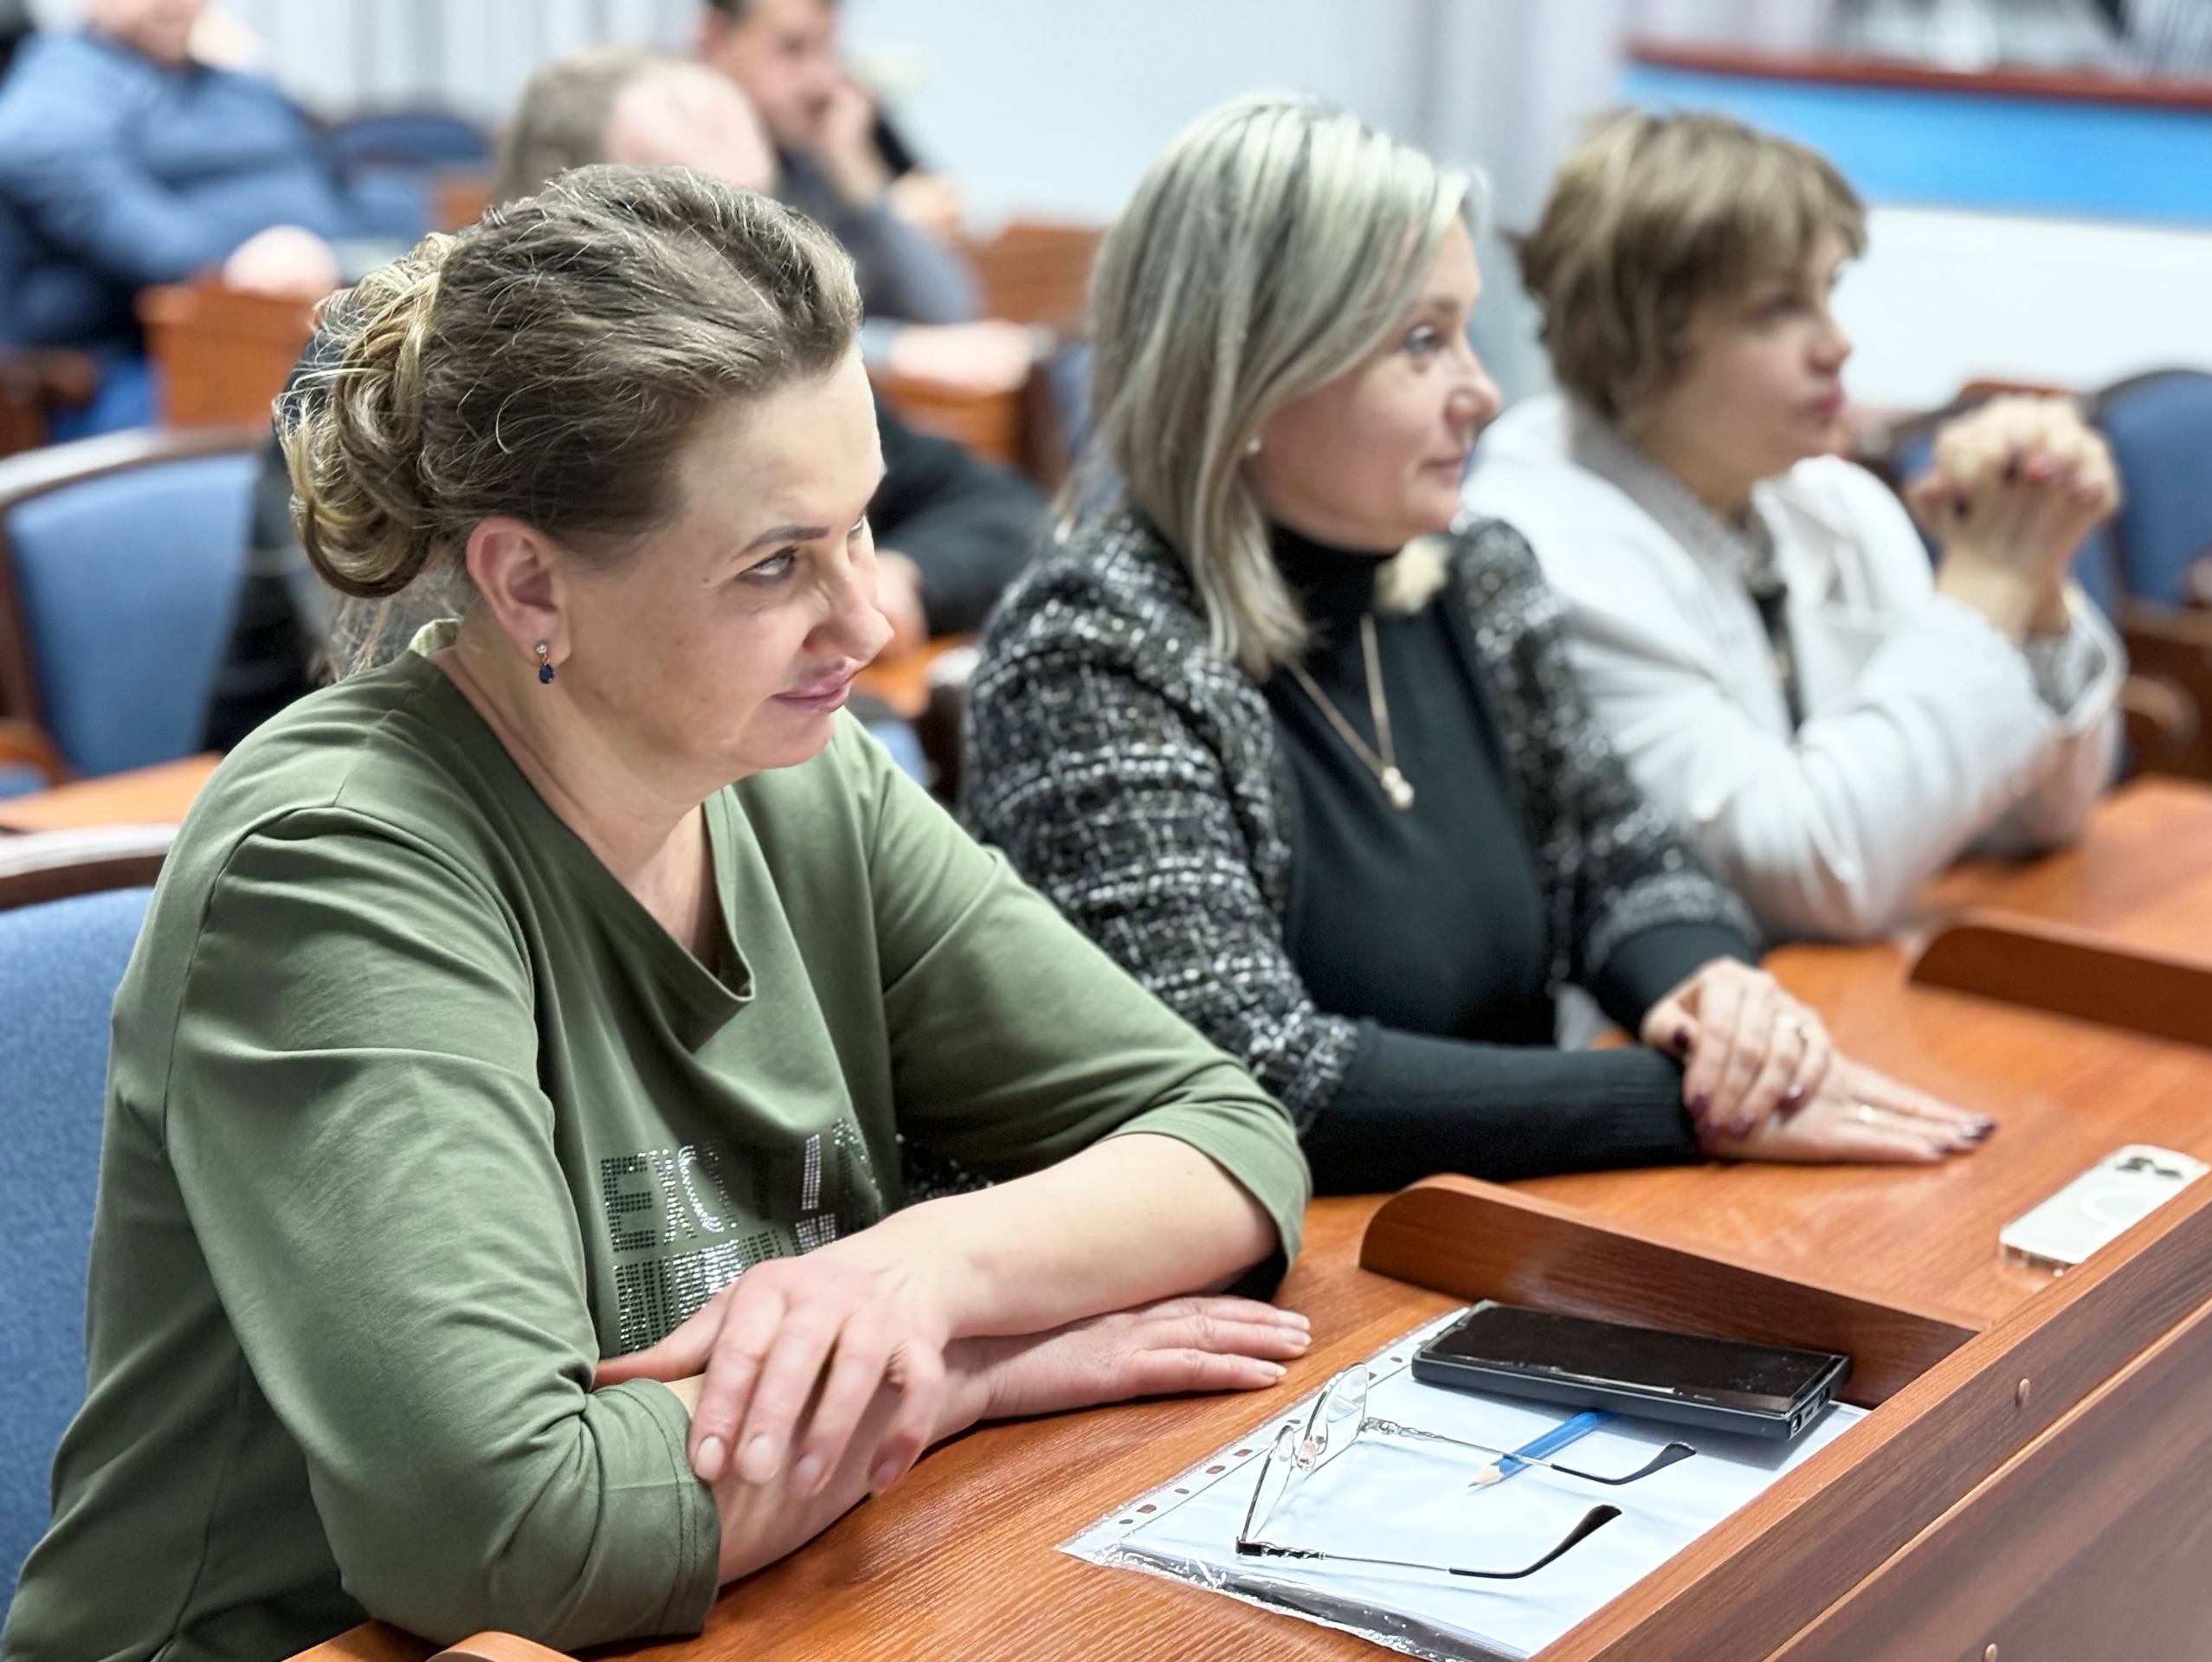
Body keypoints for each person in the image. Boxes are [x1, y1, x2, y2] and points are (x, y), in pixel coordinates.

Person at [1, 166, 1312, 1662]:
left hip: (730, 1596)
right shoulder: (330, 867)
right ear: (529, 584)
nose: (867, 620)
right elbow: (517, 1536)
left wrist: (915, 1278)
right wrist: (957, 1375)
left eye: (862, 528)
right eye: (776, 564)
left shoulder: (791, 772)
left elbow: (1223, 1136)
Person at [964, 94, 1990, 1197]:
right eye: (1423, 343)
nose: (1484, 394)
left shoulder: (1474, 574)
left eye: (1467, 333)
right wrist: (1686, 1105)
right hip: (1283, 1268)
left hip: (1491, 1218)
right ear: (1252, 373)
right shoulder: (1092, 653)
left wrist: (1714, 993)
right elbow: (1252, 1083)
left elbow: (1621, 860)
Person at [201, 47, 1044, 753]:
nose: (751, 271)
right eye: (694, 230)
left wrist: (899, 577)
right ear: (554, 228)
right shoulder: (388, 373)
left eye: (761, 215)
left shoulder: (757, 358)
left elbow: (996, 507)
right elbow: (443, 685)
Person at [1466, 110, 2125, 943]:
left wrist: (2035, 583)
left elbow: (2040, 815)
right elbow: (1804, 877)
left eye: (1829, 291)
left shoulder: (1830, 499)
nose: (1837, 344)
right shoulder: (1538, 548)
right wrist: (1989, 587)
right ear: (1625, 341)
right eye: (1778, 307)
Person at [0, 0, 418, 359]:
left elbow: (325, 172)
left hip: (327, 312)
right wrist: (230, 264)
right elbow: (47, 159)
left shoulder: (231, 80)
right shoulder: (67, 79)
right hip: (163, 361)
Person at [697, 0, 1035, 395]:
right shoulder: (672, 158)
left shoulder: (811, 156)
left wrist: (857, 176)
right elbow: (737, 333)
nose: (821, 80)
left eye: (827, 50)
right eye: (792, 48)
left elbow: (949, 309)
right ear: (715, 39)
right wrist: (900, 351)